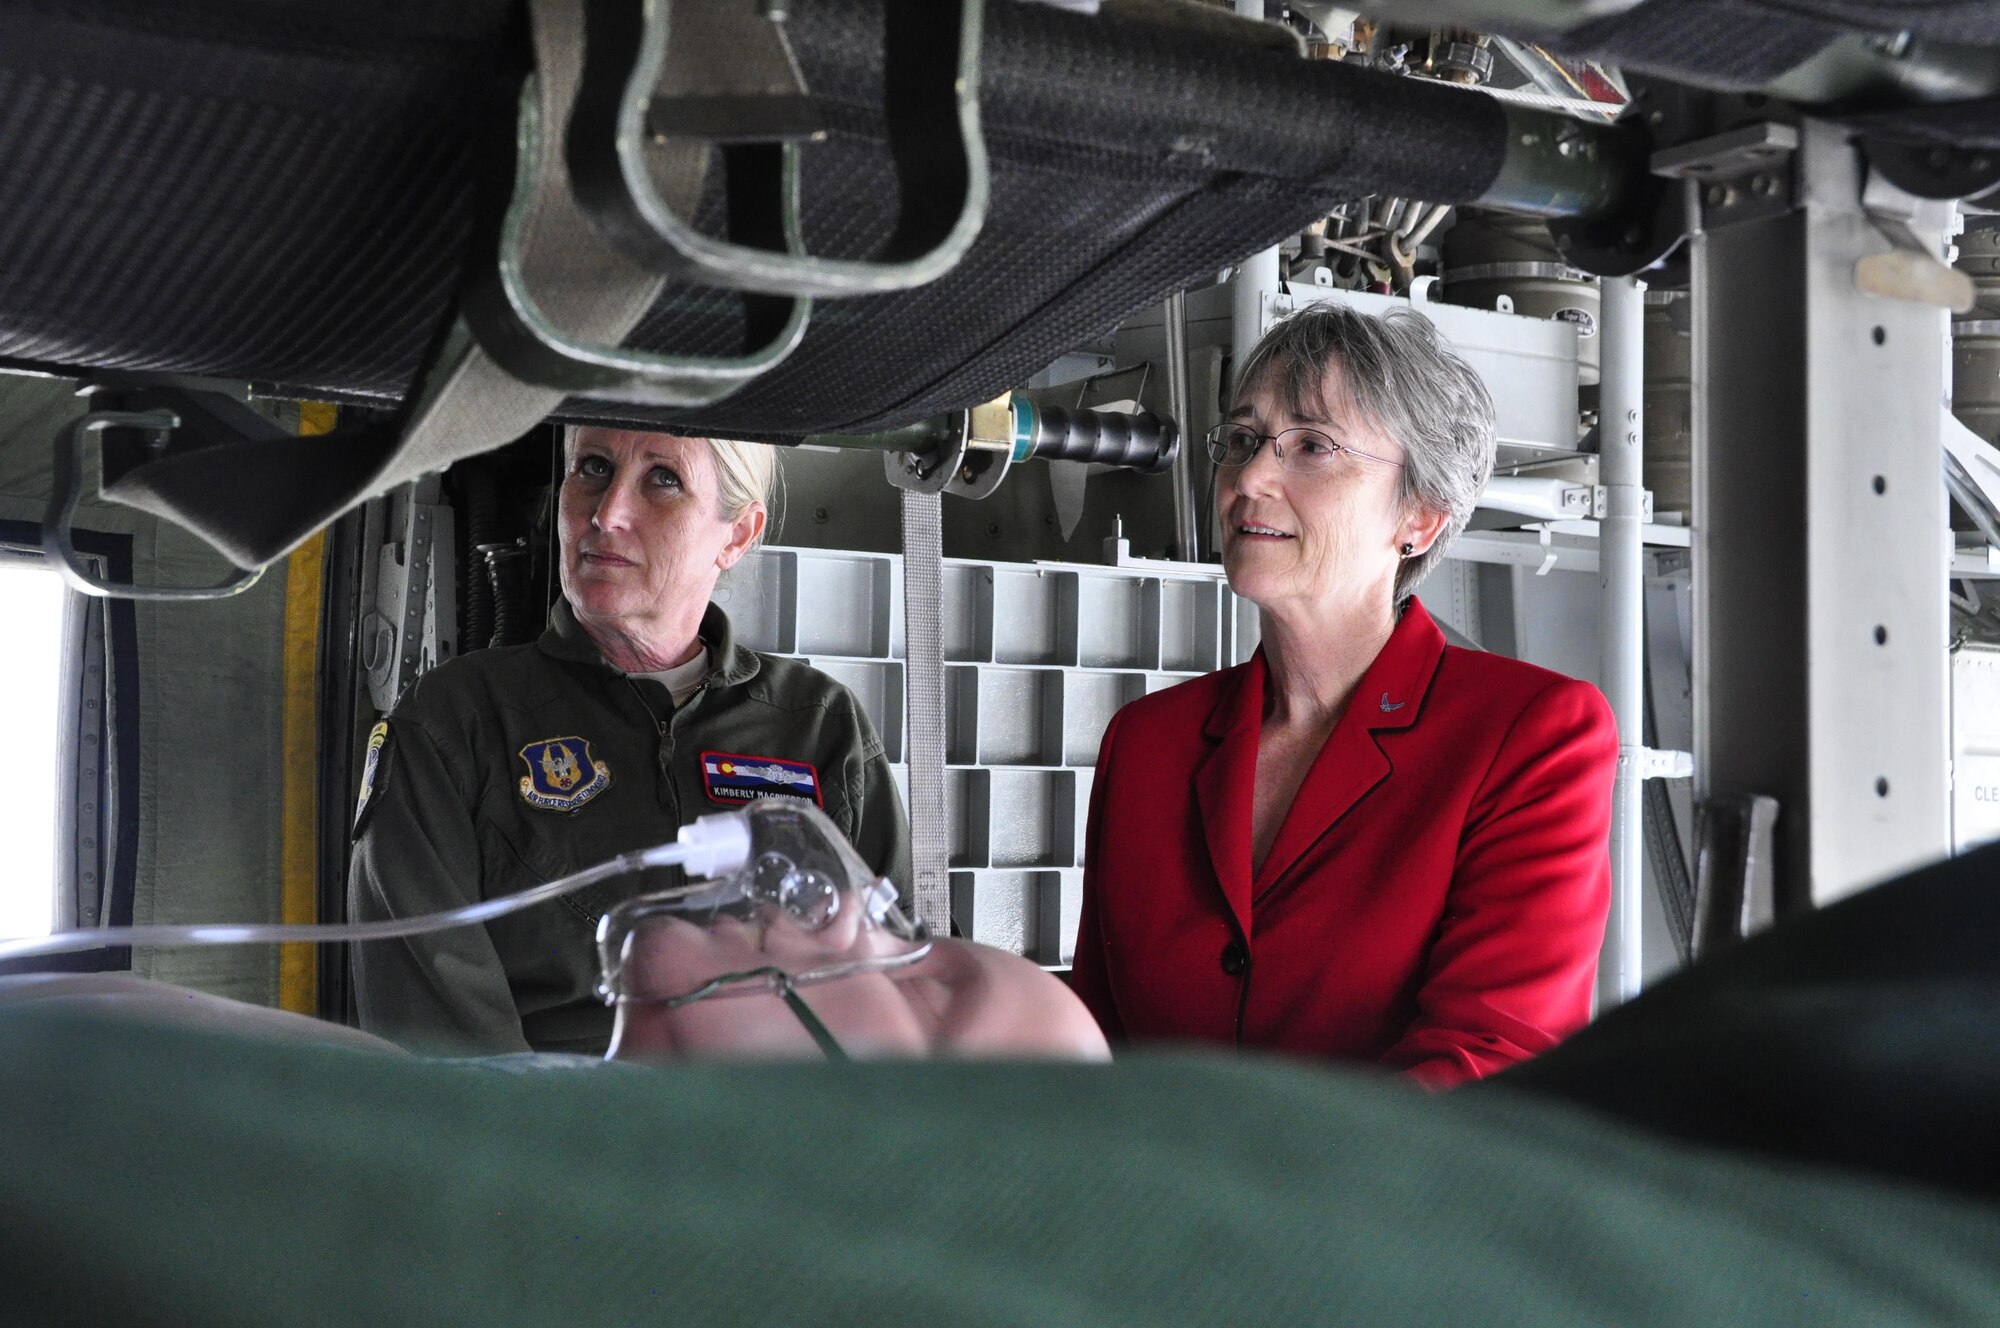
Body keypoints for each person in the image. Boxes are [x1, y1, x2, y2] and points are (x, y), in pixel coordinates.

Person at [1069, 303, 1618, 1087]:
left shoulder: (1531, 734)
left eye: (1313, 446)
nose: (1251, 478)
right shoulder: (1147, 742)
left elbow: (1490, 1058)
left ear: (1420, 520)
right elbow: (1094, 1041)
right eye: (1247, 440)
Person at [348, 428, 912, 1055]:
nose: (606, 511)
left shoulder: (819, 725)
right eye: (592, 467)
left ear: (737, 534)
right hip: (550, 1137)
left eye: (663, 478)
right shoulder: (455, 723)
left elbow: (898, 1000)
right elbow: (442, 1055)